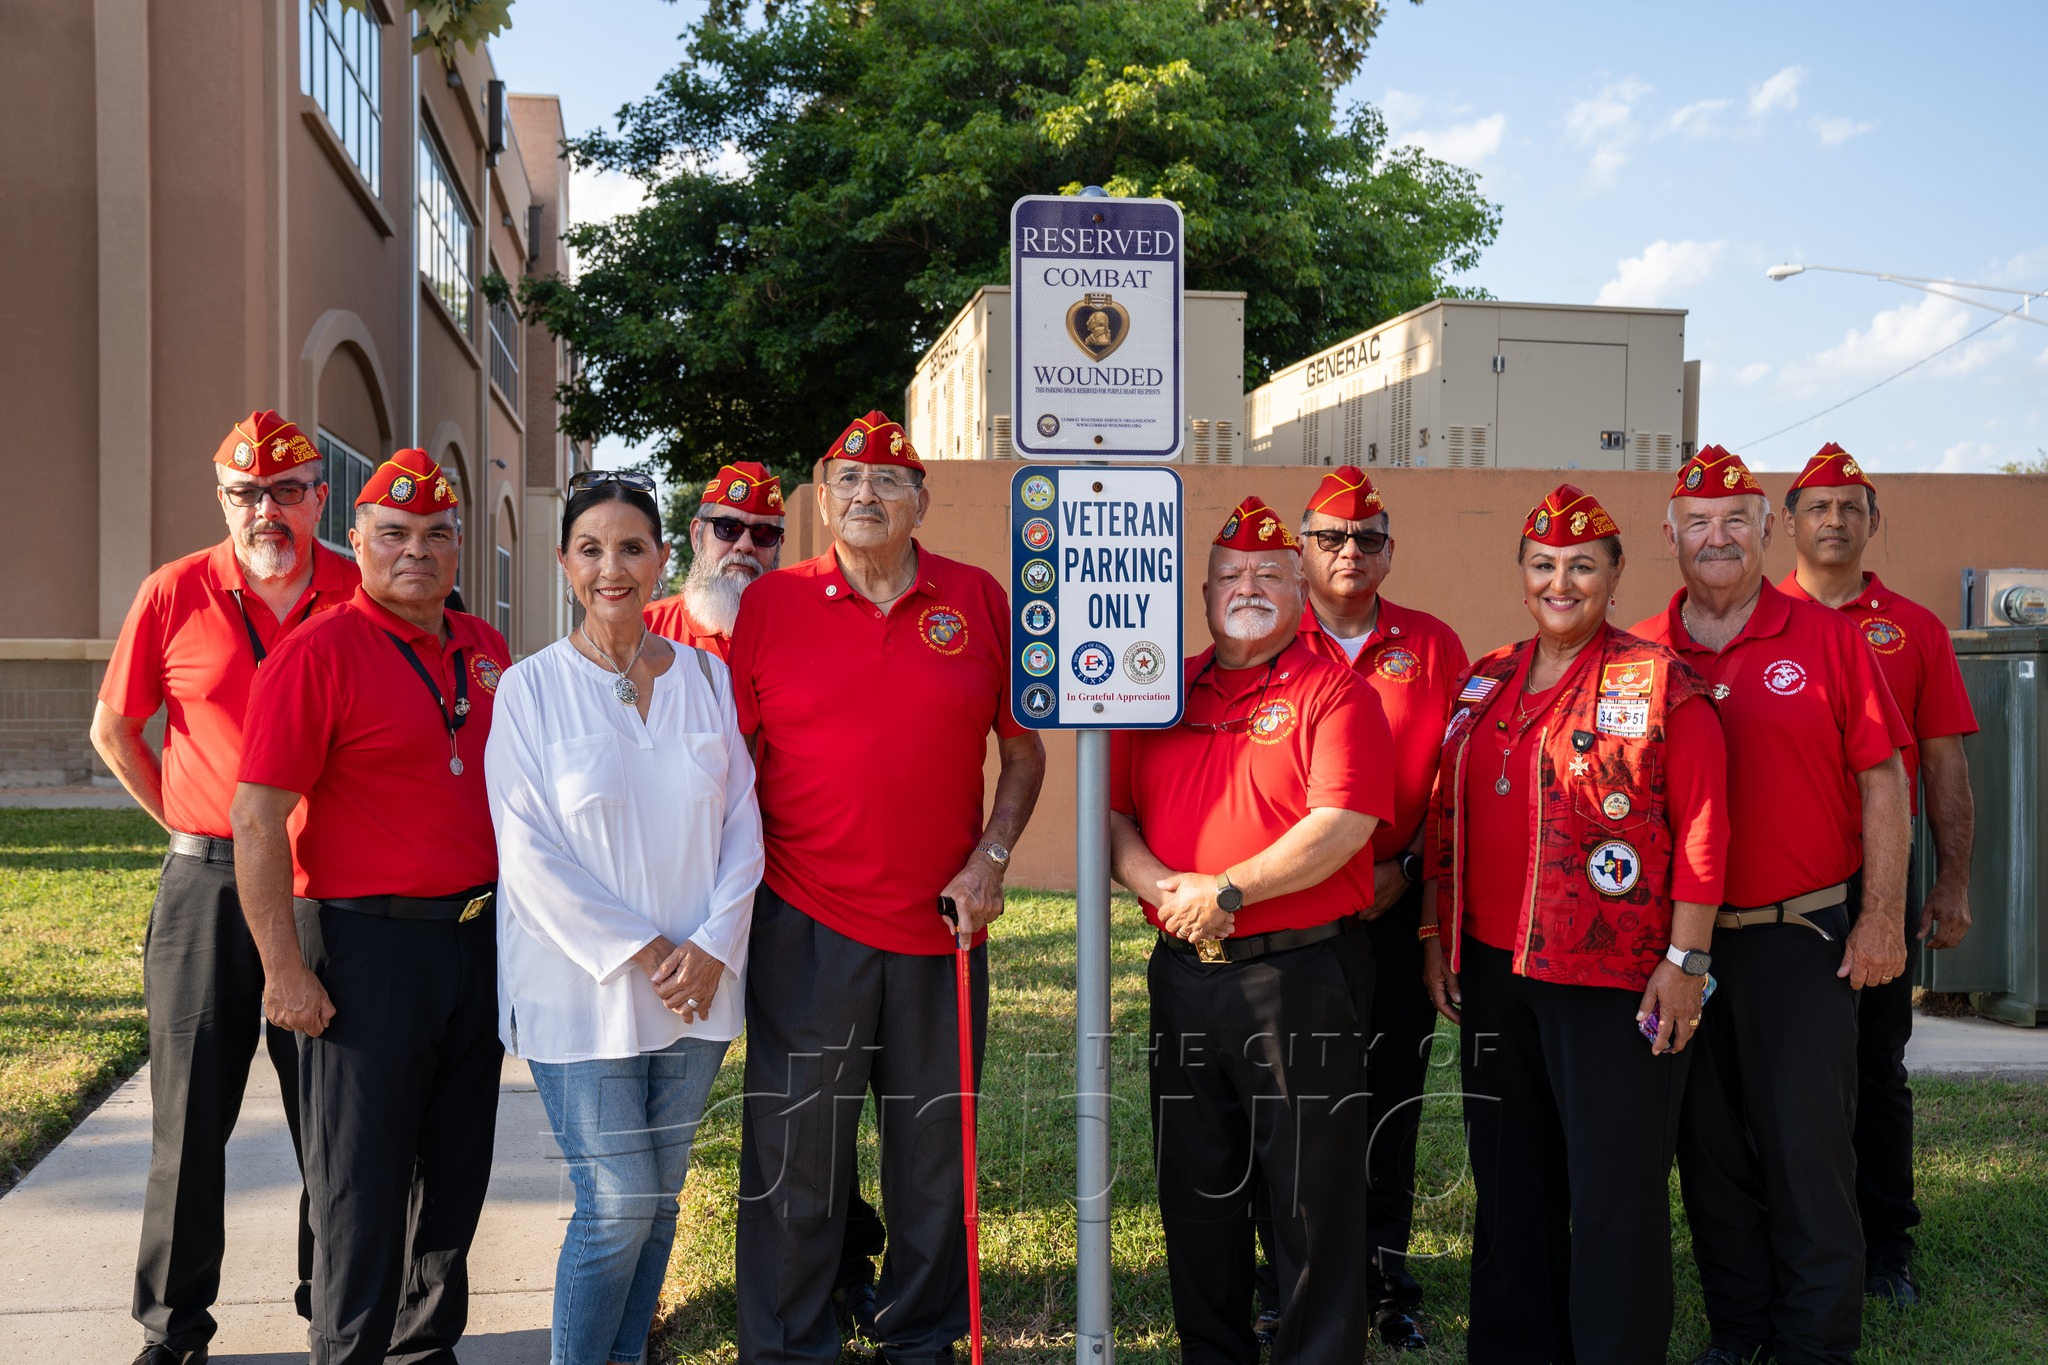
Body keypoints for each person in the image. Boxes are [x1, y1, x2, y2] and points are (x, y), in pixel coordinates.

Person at [727, 411, 1046, 1364]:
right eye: (847, 479)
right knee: (798, 1158)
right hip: (805, 923)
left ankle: (922, 1331)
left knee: (933, 1160)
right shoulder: (771, 606)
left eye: (888, 480)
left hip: (942, 926)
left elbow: (1022, 753)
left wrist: (990, 857)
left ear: (922, 500)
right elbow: (733, 766)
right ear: (822, 497)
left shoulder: (979, 599)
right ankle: (788, 1340)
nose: (866, 494)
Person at [1418, 484, 1728, 1364]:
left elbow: (1704, 825)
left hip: (1616, 979)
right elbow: (1445, 812)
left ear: (1615, 572)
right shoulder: (1485, 675)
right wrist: (1436, 936)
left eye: (1582, 566)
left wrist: (1687, 959)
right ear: (1522, 574)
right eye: (1545, 564)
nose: (1563, 582)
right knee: (1511, 1183)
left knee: (1612, 1194)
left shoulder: (1662, 679)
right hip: (1492, 967)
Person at [230, 448, 511, 1365]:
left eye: (436, 535)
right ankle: (346, 1352)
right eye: (393, 535)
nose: (416, 553)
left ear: (459, 548)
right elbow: (258, 819)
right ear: (357, 542)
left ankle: (425, 1351)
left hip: (476, 946)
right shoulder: (318, 652)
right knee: (360, 1186)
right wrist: (283, 968)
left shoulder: (487, 651)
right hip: (364, 949)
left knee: (456, 1178)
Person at [1632, 445, 1912, 1365]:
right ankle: (1740, 1331)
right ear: (1670, 535)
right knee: (1706, 1151)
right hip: (1683, 950)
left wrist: (1880, 915)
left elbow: (1884, 781)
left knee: (1807, 1151)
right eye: (1697, 523)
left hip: (1801, 935)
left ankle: (1814, 1340)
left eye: (1734, 521)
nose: (1717, 538)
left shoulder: (1830, 639)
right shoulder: (1638, 650)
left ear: (1764, 529)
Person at [93, 411, 357, 1365]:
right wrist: (183, 815)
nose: (267, 510)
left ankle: (330, 1296)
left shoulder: (359, 592)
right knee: (188, 1122)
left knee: (332, 1119)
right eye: (246, 492)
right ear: (223, 499)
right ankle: (173, 1328)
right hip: (206, 888)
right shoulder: (174, 591)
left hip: (328, 888)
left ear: (320, 496)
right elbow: (115, 729)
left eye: (288, 490)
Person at [485, 469, 764, 1365]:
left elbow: (744, 824)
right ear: (565, 561)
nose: (614, 567)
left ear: (661, 558)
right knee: (617, 1204)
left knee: (663, 1196)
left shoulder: (709, 682)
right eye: (593, 549)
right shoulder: (529, 691)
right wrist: (652, 951)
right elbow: (528, 855)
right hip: (584, 991)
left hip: (699, 987)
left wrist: (714, 946)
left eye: (631, 547)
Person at [1110, 495, 1393, 1365]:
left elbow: (1343, 821)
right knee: (1195, 1184)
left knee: (1311, 1191)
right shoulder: (1157, 686)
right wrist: (1166, 888)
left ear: (1300, 584)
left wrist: (1225, 889)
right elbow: (1113, 814)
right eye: (1231, 573)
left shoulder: (1334, 690)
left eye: (1271, 572)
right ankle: (1214, 1350)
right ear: (1203, 593)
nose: (1250, 586)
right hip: (1184, 972)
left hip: (1297, 977)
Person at [1269, 465, 1468, 1352]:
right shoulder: (1268, 636)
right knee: (1291, 1107)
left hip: (1388, 905)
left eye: (1369, 539)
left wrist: (1415, 868)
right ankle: (1287, 1281)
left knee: (1388, 1099)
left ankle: (1385, 1278)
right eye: (1331, 538)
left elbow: (1456, 786)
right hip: (1292, 915)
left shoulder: (1431, 645)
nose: (1351, 552)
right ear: (1301, 548)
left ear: (1391, 550)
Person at [1778, 442, 1978, 1308]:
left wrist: (1953, 881)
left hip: (1877, 882)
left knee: (1875, 1065)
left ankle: (1887, 1245)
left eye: (1850, 507)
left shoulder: (1916, 628)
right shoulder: (1749, 614)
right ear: (1788, 520)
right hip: (1775, 885)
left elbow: (1942, 766)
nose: (1834, 520)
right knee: (1775, 1075)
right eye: (1818, 506)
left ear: (1872, 521)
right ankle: (1776, 1237)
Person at [644, 460, 787, 657]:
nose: (745, 546)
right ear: (696, 535)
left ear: (779, 545)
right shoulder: (644, 630)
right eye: (728, 528)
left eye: (764, 533)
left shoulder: (803, 632)